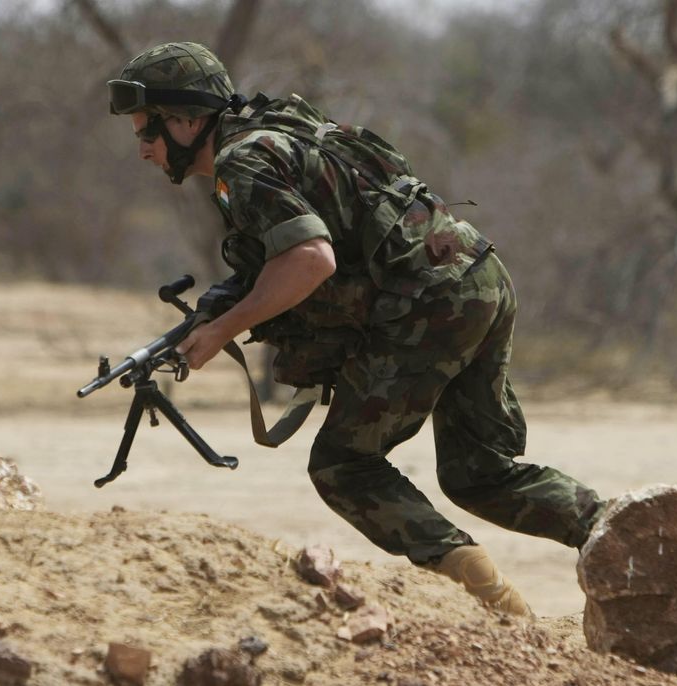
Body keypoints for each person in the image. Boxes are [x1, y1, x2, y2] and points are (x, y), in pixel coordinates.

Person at [108, 42, 604, 617]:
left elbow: (311, 259)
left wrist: (224, 331)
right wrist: (221, 308)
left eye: (148, 132)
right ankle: (620, 531)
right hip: (477, 278)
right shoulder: (279, 131)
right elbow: (300, 251)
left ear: (188, 121)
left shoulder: (241, 163)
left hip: (430, 305)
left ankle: (499, 608)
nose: (143, 150)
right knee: (479, 472)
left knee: (344, 465)